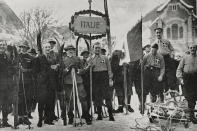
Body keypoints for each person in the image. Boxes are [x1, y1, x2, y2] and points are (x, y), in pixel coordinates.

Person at [62, 45, 91, 125]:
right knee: (69, 100)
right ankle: (70, 117)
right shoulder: (63, 60)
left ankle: (86, 115)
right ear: (66, 51)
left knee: (83, 98)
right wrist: (68, 69)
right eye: (69, 50)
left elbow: (83, 70)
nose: (71, 51)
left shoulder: (78, 59)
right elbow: (62, 72)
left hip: (78, 81)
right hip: (68, 83)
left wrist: (78, 70)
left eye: (72, 50)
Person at [87, 42, 115, 121]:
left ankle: (111, 115)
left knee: (107, 97)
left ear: (100, 49)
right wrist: (90, 65)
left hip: (104, 77)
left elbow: (109, 69)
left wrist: (110, 79)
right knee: (97, 97)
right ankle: (99, 115)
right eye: (96, 48)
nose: (97, 49)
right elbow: (88, 70)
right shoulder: (90, 58)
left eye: (99, 48)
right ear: (93, 49)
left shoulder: (105, 58)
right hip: (96, 79)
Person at [176, 44, 197, 124]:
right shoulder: (185, 58)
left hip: (195, 79)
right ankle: (191, 117)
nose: (192, 49)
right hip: (187, 80)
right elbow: (179, 69)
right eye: (191, 48)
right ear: (189, 49)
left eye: (194, 48)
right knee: (189, 98)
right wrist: (181, 79)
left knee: (195, 97)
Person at [152, 27, 174, 93]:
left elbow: (172, 50)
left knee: (169, 75)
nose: (158, 34)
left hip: (167, 59)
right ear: (155, 34)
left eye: (159, 32)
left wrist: (172, 55)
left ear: (162, 33)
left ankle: (171, 91)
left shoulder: (166, 41)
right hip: (159, 60)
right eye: (157, 33)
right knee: (161, 75)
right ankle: (164, 92)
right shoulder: (154, 43)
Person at [17, 41, 34, 125]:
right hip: (18, 81)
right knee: (19, 99)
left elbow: (34, 70)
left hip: (28, 81)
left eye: (25, 47)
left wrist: (26, 70)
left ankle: (26, 117)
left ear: (27, 48)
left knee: (27, 99)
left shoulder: (31, 58)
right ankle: (20, 117)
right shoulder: (17, 56)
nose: (23, 48)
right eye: (22, 47)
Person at [0, 40, 16, 127]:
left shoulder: (7, 56)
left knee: (6, 104)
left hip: (7, 85)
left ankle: (5, 121)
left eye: (3, 45)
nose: (2, 46)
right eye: (0, 45)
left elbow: (9, 69)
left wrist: (15, 69)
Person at [80, 49, 91, 114]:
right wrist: (87, 67)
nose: (86, 56)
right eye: (84, 55)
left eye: (87, 55)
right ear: (82, 55)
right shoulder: (81, 62)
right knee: (83, 98)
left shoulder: (90, 62)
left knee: (89, 98)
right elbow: (81, 71)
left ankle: (87, 113)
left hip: (89, 82)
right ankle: (84, 113)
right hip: (82, 82)